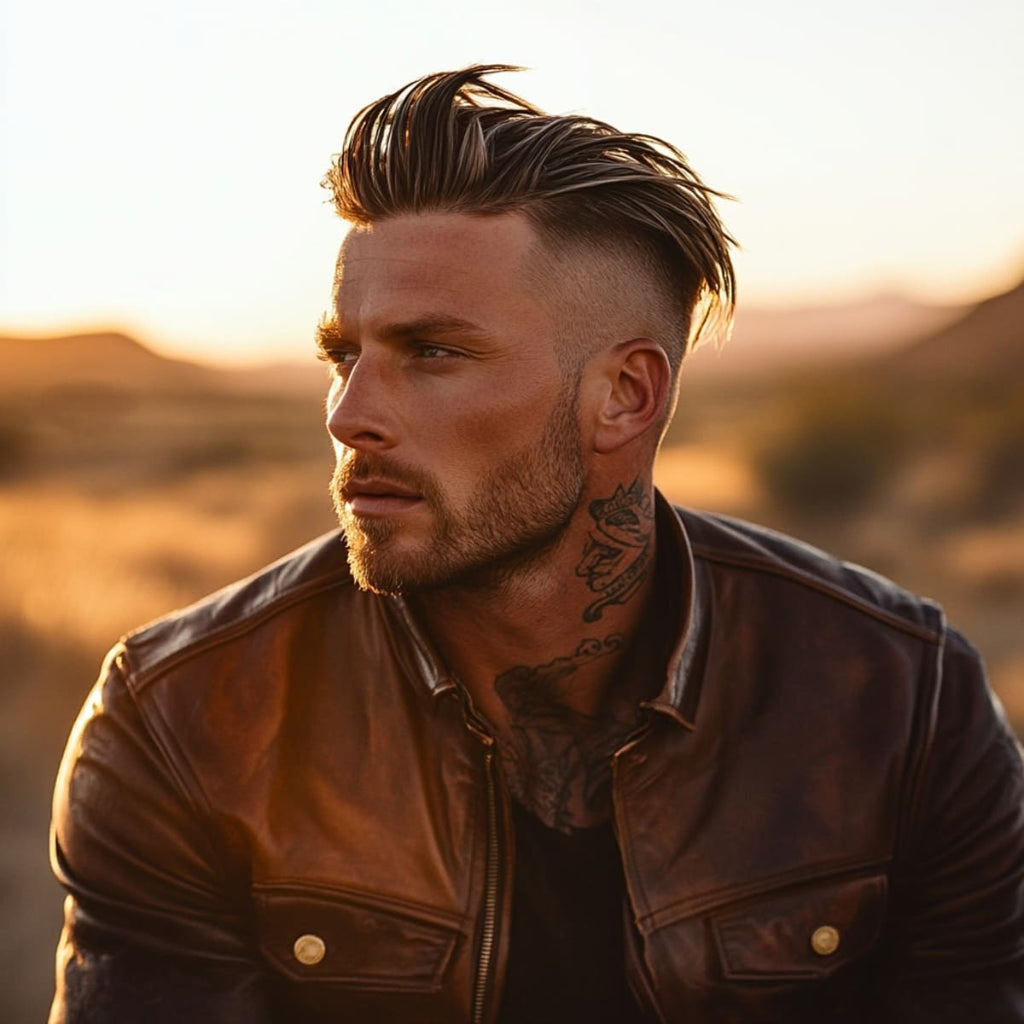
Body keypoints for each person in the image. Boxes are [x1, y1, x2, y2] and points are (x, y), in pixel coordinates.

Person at [49, 65, 1024, 1023]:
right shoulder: (186, 721)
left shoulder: (901, 700)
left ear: (624, 395)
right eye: (343, 355)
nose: (349, 416)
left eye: (432, 352)